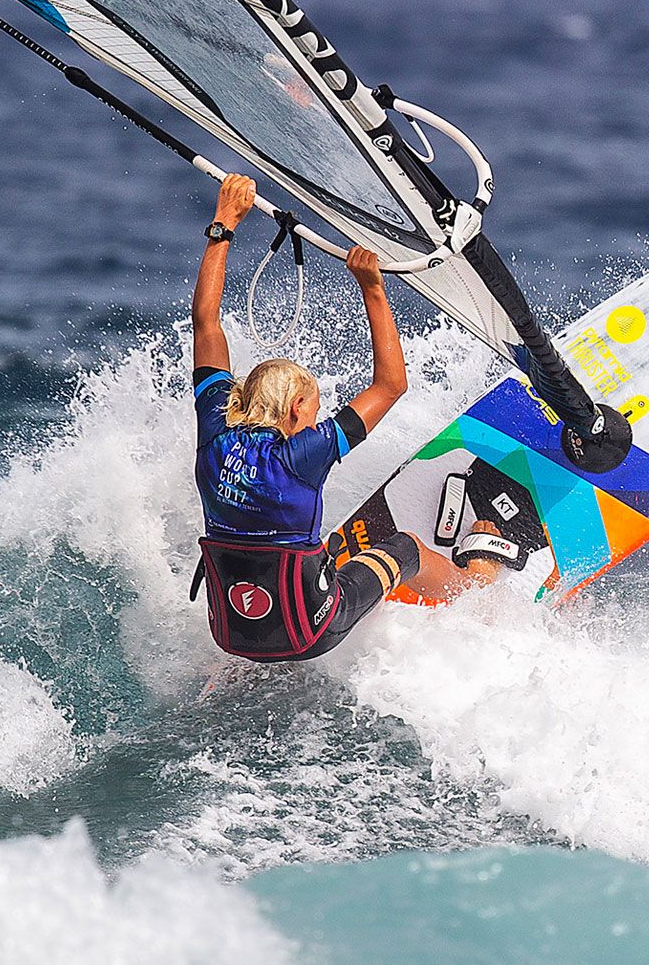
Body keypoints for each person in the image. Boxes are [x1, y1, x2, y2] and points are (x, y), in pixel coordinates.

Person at [188, 174, 506, 662]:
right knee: (406, 548)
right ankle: (474, 587)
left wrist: (223, 223)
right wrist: (373, 288)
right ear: (296, 409)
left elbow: (206, 323)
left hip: (231, 633)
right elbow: (391, 386)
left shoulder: (214, 433)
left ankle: (261, 654)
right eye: (314, 409)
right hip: (312, 632)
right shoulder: (301, 456)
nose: (317, 419)